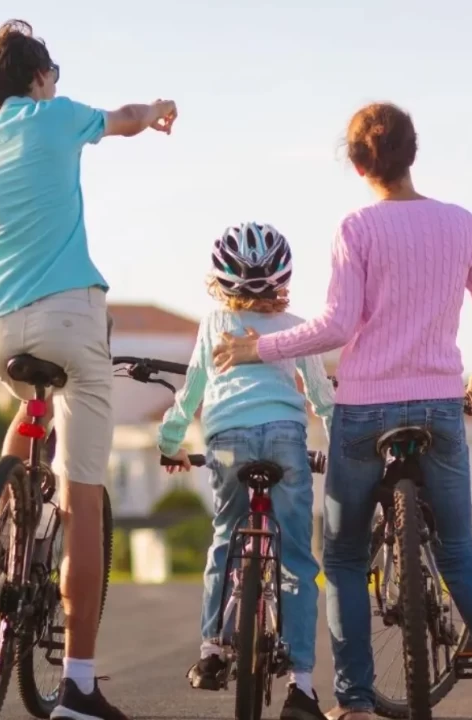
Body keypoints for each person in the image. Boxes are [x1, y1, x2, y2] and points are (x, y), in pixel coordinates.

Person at [211, 103, 472, 720]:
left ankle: (356, 702)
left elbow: (338, 325)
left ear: (358, 162)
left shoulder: (357, 228)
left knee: (342, 556)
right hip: (440, 408)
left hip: (364, 411)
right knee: (457, 551)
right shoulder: (461, 223)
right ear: (413, 152)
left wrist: (258, 347)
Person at [0, 19, 177, 720]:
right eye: (50, 73)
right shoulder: (58, 116)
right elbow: (126, 119)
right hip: (69, 317)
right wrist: (158, 111)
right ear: (38, 79)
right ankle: (78, 687)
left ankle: (3, 533)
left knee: (29, 400)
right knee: (83, 497)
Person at [158, 222, 336, 720]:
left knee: (225, 534)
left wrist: (169, 442)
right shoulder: (298, 327)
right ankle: (302, 685)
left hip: (228, 443)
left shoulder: (214, 324)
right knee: (297, 559)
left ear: (219, 280)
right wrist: (344, 443)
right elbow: (323, 398)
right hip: (284, 441)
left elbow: (191, 392)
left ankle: (212, 650)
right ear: (283, 279)